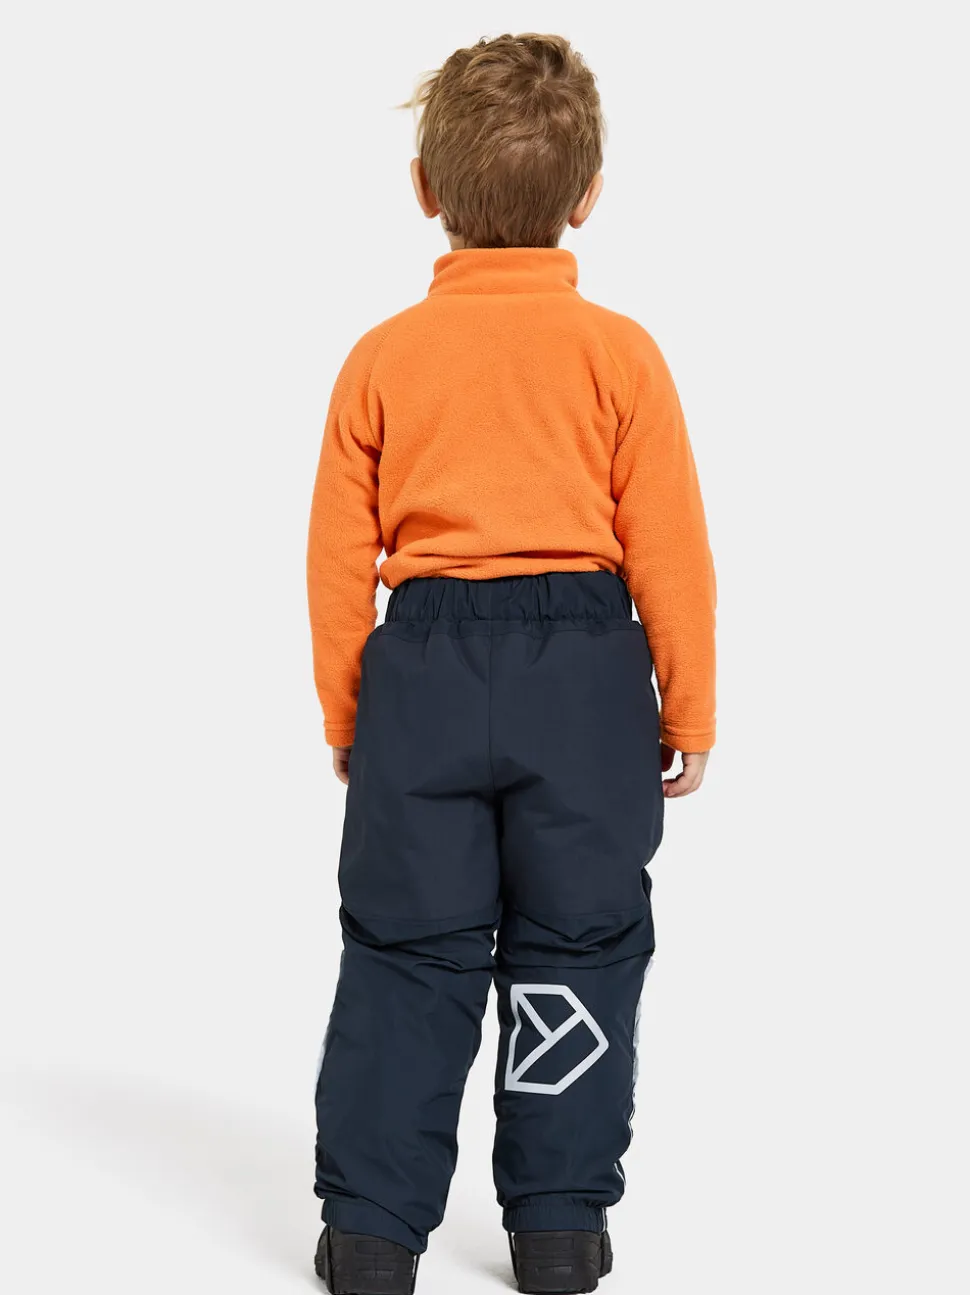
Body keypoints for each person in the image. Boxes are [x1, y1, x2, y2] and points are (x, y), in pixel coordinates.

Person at [306, 33, 716, 1295]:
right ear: (586, 198)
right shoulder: (620, 354)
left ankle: (372, 1232)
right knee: (579, 940)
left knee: (406, 947)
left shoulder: (383, 356)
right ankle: (557, 1226)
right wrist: (689, 707)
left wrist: (349, 711)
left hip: (423, 668)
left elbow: (336, 553)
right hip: (586, 676)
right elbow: (670, 547)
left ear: (424, 189)